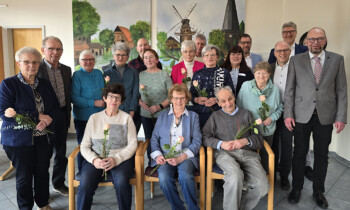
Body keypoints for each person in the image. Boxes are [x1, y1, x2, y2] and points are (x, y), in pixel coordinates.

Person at [284, 27, 347, 209]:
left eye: (319, 39)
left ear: (325, 40)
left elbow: (342, 90)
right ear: (306, 42)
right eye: (311, 39)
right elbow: (289, 91)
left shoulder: (337, 59)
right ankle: (296, 188)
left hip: (325, 115)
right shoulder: (296, 60)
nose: (315, 42)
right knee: (299, 153)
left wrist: (341, 116)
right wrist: (288, 115)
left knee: (321, 156)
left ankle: (318, 192)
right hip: (301, 115)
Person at [0, 47, 59, 210]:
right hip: (18, 140)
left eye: (35, 62)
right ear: (18, 63)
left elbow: (54, 108)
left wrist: (47, 121)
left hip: (42, 136)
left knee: (42, 172)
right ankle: (25, 207)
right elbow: (4, 113)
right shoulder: (8, 84)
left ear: (39, 64)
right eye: (26, 62)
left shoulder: (45, 84)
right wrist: (37, 116)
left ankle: (42, 202)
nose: (31, 65)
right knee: (24, 176)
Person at [202, 86, 268, 210]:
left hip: (248, 155)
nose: (228, 103)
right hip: (225, 154)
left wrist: (245, 141)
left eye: (230, 99)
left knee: (262, 186)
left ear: (234, 97)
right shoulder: (215, 117)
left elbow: (259, 138)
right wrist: (221, 143)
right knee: (235, 175)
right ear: (218, 102)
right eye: (223, 101)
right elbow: (205, 137)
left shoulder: (246, 114)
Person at [78, 83, 138, 210]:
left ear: (121, 101)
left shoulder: (126, 118)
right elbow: (84, 146)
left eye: (117, 98)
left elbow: (133, 144)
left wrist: (117, 159)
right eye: (111, 97)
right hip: (96, 159)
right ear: (104, 98)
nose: (114, 100)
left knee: (122, 183)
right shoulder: (94, 118)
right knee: (85, 184)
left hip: (120, 159)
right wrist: (94, 160)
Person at [150, 84, 202, 210]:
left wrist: (181, 157)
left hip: (185, 156)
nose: (179, 101)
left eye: (182, 98)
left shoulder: (193, 116)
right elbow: (154, 139)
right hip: (165, 156)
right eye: (176, 98)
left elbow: (197, 141)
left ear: (187, 99)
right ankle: (178, 207)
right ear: (171, 99)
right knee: (164, 178)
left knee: (185, 176)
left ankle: (192, 208)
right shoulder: (162, 116)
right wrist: (158, 156)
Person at [37, 36, 71, 196]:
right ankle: (41, 192)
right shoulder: (36, 69)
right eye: (51, 49)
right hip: (44, 118)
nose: (55, 52)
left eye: (58, 49)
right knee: (43, 155)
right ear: (43, 50)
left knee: (61, 153)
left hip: (62, 116)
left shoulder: (66, 69)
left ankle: (58, 183)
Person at [236, 61, 283, 172]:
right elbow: (238, 105)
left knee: (265, 156)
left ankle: (265, 178)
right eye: (258, 73)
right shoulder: (246, 86)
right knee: (248, 156)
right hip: (248, 128)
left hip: (266, 129)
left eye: (265, 73)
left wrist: (271, 118)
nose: (261, 76)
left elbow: (280, 108)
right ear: (254, 73)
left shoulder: (275, 90)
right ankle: (249, 179)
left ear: (269, 75)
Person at [71, 50, 105, 173]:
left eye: (91, 59)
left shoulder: (98, 73)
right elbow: (74, 98)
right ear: (79, 61)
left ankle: (98, 171)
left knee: (99, 145)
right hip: (83, 118)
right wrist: (93, 102)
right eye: (85, 60)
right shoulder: (77, 75)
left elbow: (104, 91)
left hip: (100, 116)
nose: (88, 62)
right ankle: (82, 173)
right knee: (84, 146)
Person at [139, 49, 173, 163]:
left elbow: (171, 96)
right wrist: (140, 103)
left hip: (163, 115)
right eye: (146, 57)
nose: (148, 60)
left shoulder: (164, 75)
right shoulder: (140, 75)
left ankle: (165, 163)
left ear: (157, 59)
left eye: (151, 57)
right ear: (143, 61)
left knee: (164, 139)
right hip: (146, 115)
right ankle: (152, 163)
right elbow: (136, 95)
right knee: (149, 140)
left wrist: (159, 106)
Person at [190, 44, 234, 128]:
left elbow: (231, 93)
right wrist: (196, 99)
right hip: (201, 112)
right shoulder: (197, 74)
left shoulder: (224, 73)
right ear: (203, 58)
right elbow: (191, 94)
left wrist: (217, 99)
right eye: (206, 55)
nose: (209, 57)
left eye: (212, 55)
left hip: (220, 111)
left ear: (217, 57)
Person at [269, 41, 293, 190]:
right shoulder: (269, 68)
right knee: (272, 144)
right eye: (279, 51)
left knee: (286, 144)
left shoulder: (296, 68)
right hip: (272, 111)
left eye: (285, 50)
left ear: (290, 51)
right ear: (275, 53)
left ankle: (284, 176)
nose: (282, 53)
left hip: (289, 112)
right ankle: (272, 174)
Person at [104, 42, 139, 121]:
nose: (120, 57)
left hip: (128, 109)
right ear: (113, 56)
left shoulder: (134, 72)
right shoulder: (107, 73)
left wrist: (132, 109)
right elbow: (105, 94)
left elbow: (135, 93)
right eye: (118, 55)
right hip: (112, 110)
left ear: (127, 57)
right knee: (113, 133)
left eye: (123, 55)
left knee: (129, 133)